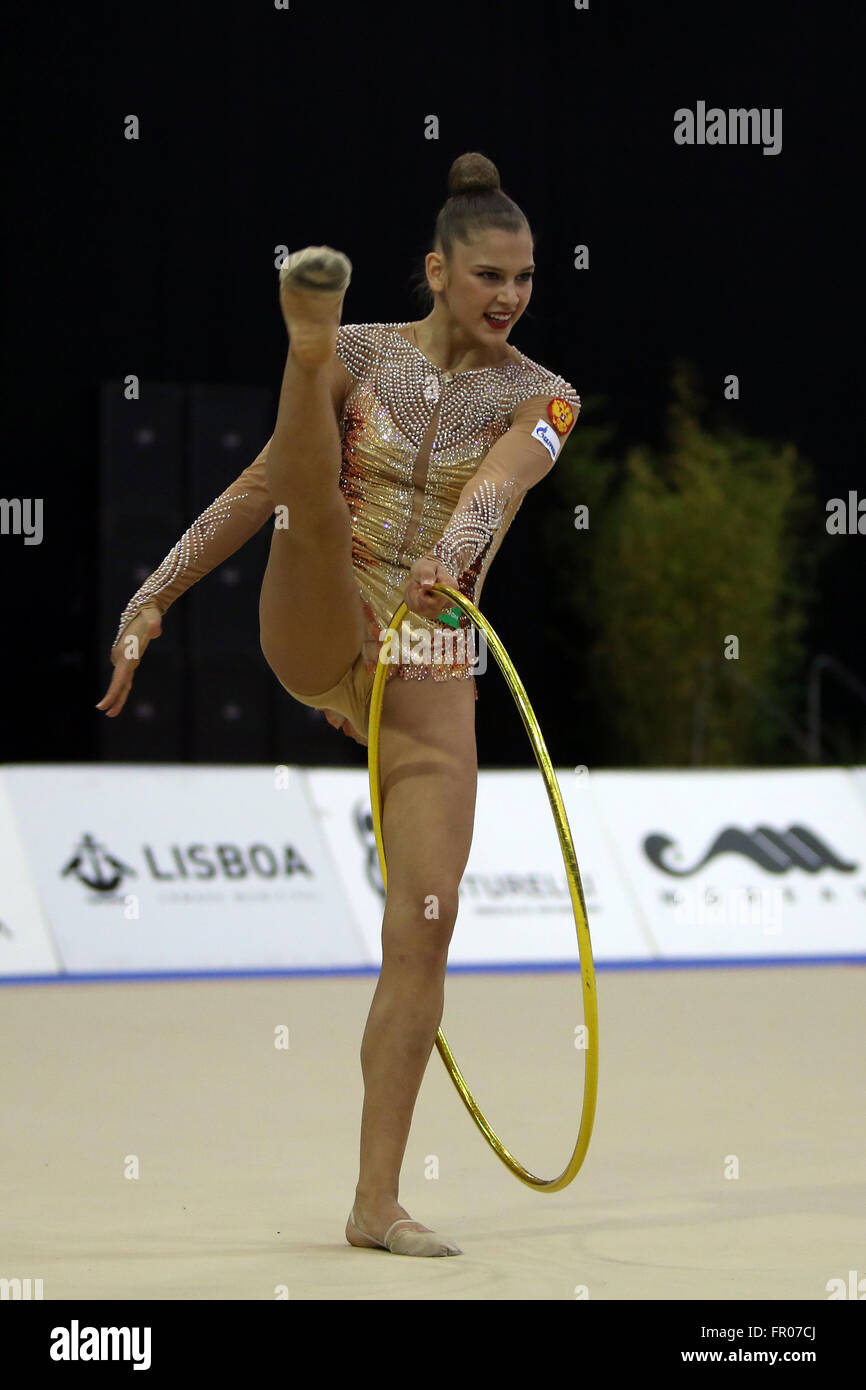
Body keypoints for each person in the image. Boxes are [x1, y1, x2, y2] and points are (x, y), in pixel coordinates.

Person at [97, 151, 580, 1257]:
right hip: (324, 617)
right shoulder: (368, 356)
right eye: (488, 276)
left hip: (431, 660)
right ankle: (296, 347)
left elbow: (499, 487)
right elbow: (261, 485)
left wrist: (452, 562)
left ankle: (375, 1203)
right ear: (434, 271)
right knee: (310, 505)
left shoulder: (544, 395)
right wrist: (153, 592)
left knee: (425, 926)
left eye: (524, 277)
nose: (508, 296)